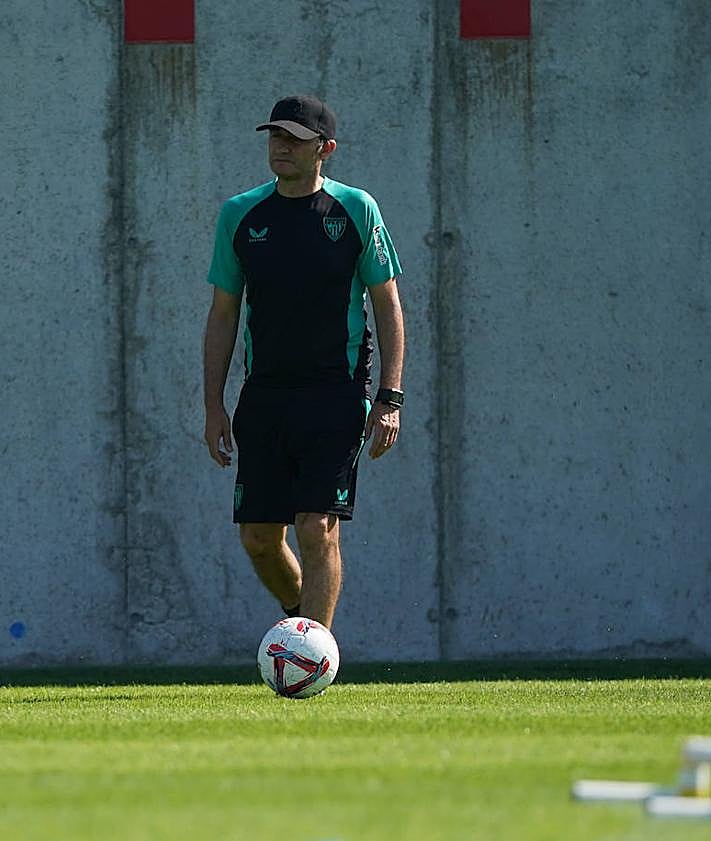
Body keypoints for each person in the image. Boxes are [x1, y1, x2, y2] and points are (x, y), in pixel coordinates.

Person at [203, 95, 405, 629]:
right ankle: (302, 625)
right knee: (260, 539)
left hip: (335, 395)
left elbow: (388, 306)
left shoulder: (357, 209)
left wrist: (389, 398)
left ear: (326, 149)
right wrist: (212, 406)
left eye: (295, 138)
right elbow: (223, 314)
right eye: (275, 136)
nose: (281, 146)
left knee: (317, 526)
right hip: (265, 397)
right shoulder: (239, 215)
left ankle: (316, 657)